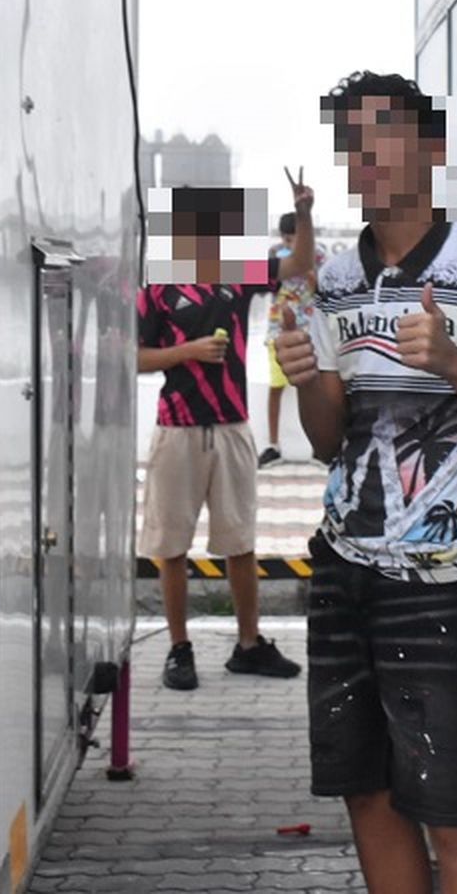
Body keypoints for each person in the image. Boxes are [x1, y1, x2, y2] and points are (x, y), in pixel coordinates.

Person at [274, 71, 457, 894]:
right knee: (367, 797)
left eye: (384, 133)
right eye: (351, 141)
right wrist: (305, 377)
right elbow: (330, 440)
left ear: (432, 149)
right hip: (341, 572)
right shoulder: (333, 281)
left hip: (443, 583)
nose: (366, 155)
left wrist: (451, 359)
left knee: (454, 815)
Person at [136, 174, 317, 690]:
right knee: (170, 546)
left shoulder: (235, 273)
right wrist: (186, 353)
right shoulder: (156, 288)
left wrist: (302, 214)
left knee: (241, 541)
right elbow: (134, 357)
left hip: (234, 426)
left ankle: (249, 643)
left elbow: (299, 266)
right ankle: (178, 649)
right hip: (177, 429)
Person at [259, 211, 326, 469]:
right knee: (275, 387)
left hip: (310, 330)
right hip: (278, 329)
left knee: (312, 389)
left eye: (294, 239)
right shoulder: (275, 254)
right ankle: (273, 446)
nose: (290, 245)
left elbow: (324, 290)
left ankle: (318, 448)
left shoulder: (318, 255)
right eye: (286, 240)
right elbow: (266, 286)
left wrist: (308, 271)